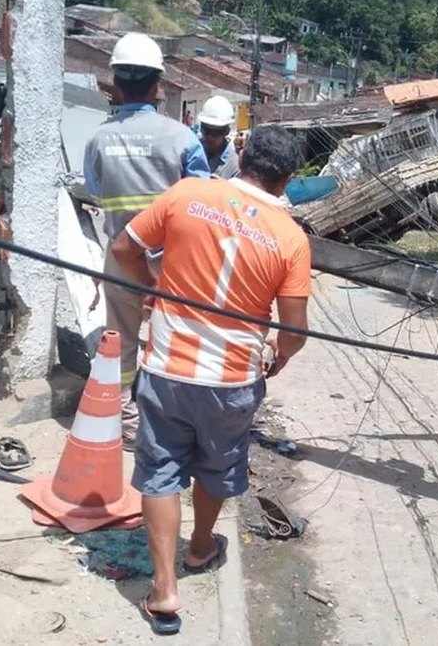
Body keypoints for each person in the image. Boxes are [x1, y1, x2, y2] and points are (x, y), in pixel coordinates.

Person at [112, 125, 311, 635]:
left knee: (160, 469)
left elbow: (122, 249)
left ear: (242, 155)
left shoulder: (187, 193)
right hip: (232, 379)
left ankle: (164, 588)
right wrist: (278, 357)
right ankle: (200, 547)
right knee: (217, 466)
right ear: (288, 178)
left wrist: (149, 291)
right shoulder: (290, 238)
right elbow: (293, 332)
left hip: (167, 368)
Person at [83, 33, 211, 448]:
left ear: (115, 84)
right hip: (173, 263)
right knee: (170, 342)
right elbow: (201, 202)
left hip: (121, 257)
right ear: (159, 85)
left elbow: (97, 191)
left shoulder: (99, 139)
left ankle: (125, 420)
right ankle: (168, 423)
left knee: (119, 338)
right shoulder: (183, 138)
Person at [197, 96, 241, 179]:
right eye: (206, 130)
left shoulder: (234, 165)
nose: (209, 137)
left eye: (215, 133)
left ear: (226, 132)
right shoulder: (193, 152)